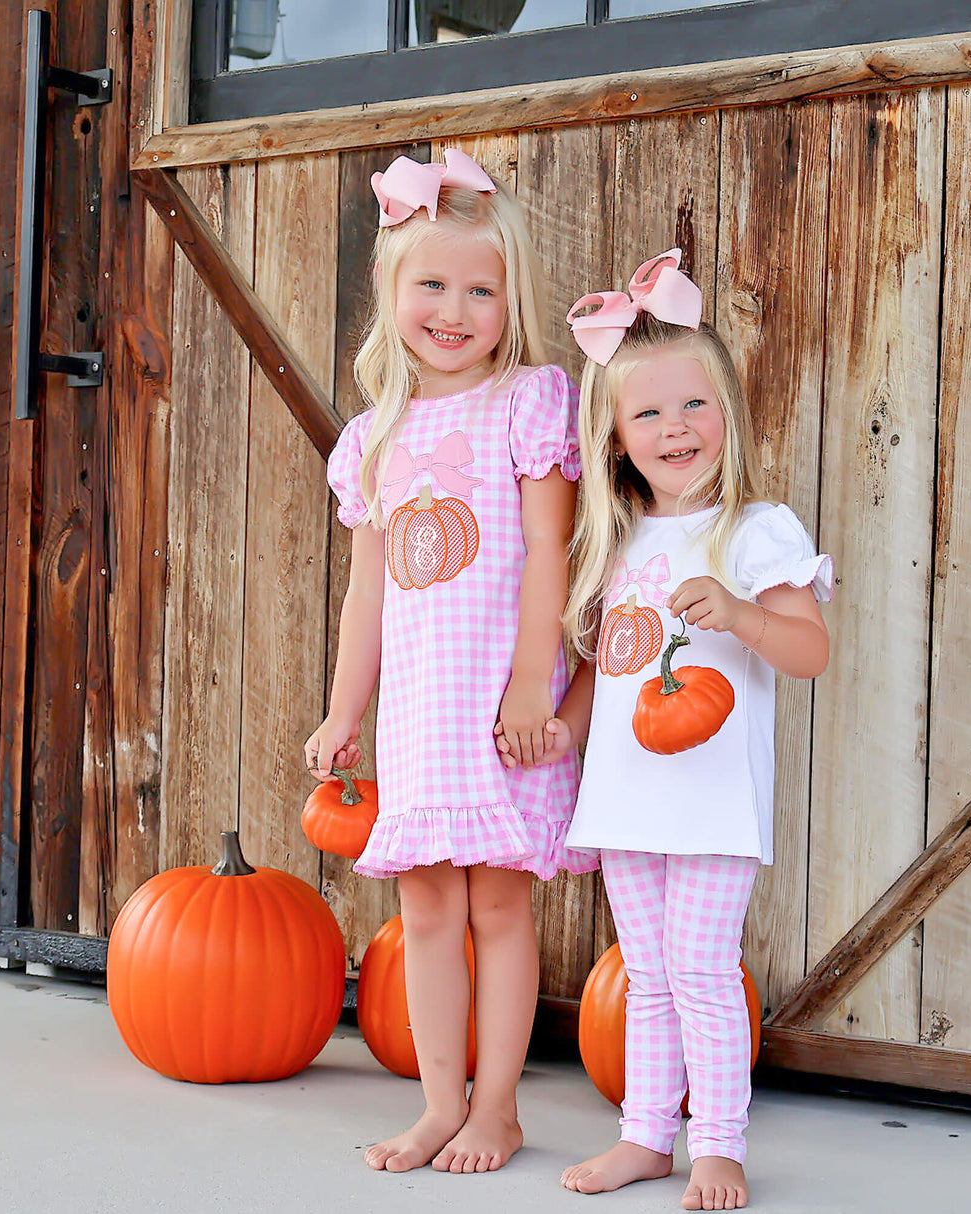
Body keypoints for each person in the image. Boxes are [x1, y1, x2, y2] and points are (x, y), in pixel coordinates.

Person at [499, 250, 831, 1210]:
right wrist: (565, 729)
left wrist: (744, 614)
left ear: (728, 412)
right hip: (627, 798)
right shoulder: (614, 540)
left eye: (694, 405)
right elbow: (604, 667)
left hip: (713, 804)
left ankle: (718, 1143)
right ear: (614, 438)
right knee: (645, 972)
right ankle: (646, 1135)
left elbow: (810, 651)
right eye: (647, 414)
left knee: (702, 969)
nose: (674, 427)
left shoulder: (756, 529)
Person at [304, 149, 592, 1176]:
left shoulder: (528, 402)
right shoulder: (374, 438)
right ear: (392, 294)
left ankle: (497, 1108)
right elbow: (366, 595)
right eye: (431, 284)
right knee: (424, 909)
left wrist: (529, 685)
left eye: (481, 290)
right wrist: (344, 710)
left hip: (503, 704)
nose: (454, 310)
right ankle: (438, 1104)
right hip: (421, 713)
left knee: (499, 904)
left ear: (511, 302)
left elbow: (549, 553)